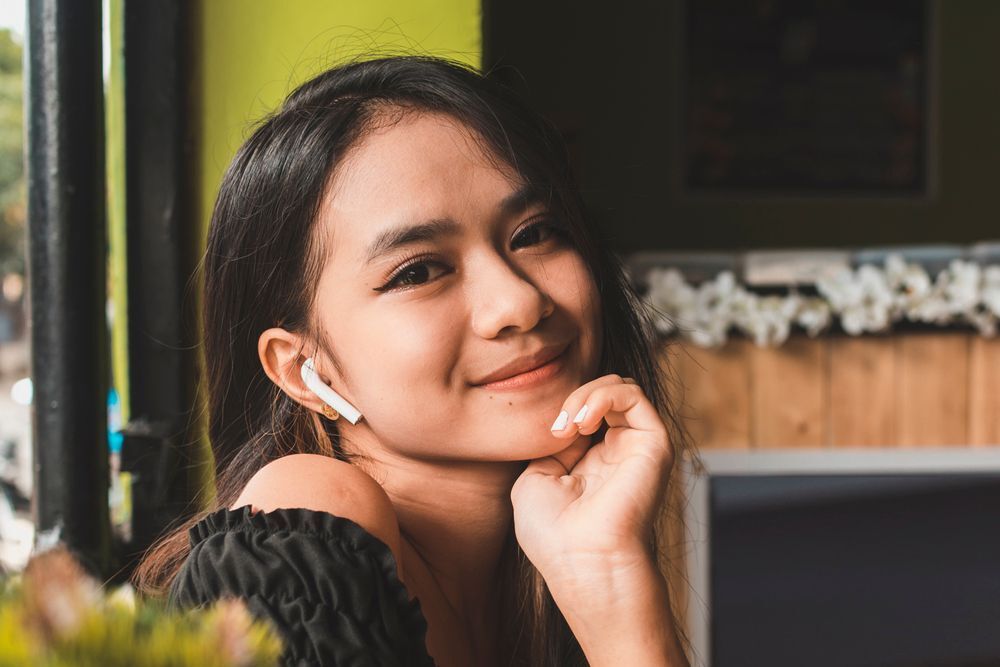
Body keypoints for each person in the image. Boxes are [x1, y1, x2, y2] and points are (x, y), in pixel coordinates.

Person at [135, 54, 692, 667]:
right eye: (418, 272)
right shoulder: (310, 510)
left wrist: (607, 576)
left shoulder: (544, 562)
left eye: (533, 233)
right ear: (303, 371)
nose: (518, 302)